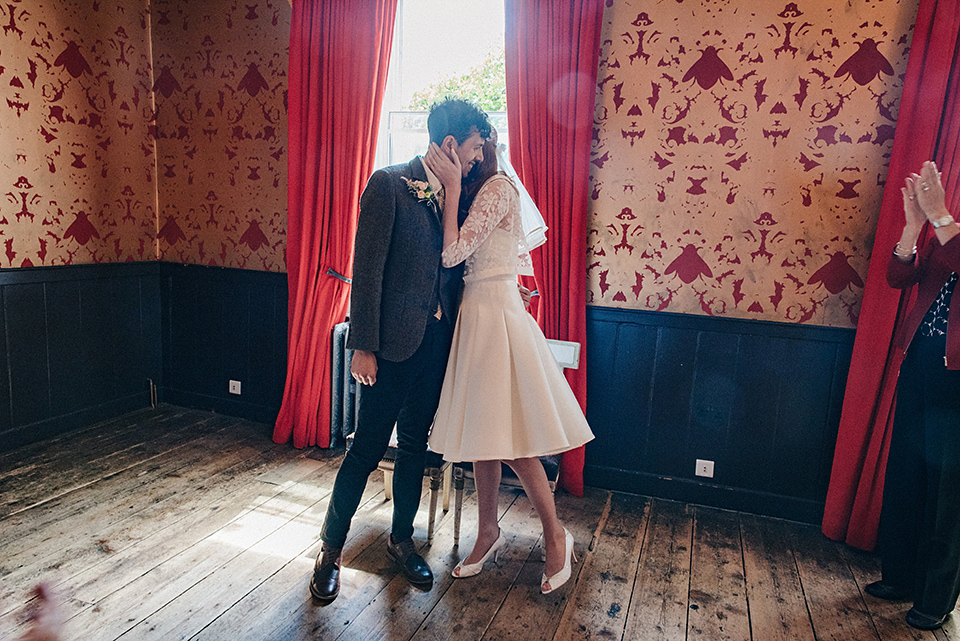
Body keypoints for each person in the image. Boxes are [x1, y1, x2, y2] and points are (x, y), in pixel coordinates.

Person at [310, 99, 492, 603]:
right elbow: (366, 272)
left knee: (416, 448)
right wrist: (362, 345)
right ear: (451, 143)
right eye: (476, 146)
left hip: (436, 344)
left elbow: (454, 268)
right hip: (389, 346)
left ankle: (401, 541)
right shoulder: (389, 184)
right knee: (367, 449)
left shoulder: (461, 196)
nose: (480, 157)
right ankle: (330, 551)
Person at [423, 131, 594, 595]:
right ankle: (486, 532)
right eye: (470, 148)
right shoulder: (476, 190)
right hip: (474, 314)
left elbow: (452, 253)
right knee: (483, 437)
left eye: (480, 148)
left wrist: (453, 188)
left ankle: (557, 536)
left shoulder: (498, 187)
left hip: (496, 316)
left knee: (517, 443)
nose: (475, 156)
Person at [867, 160, 960, 631]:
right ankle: (900, 577)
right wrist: (913, 226)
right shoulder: (951, 232)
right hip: (923, 362)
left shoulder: (953, 230)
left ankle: (936, 598)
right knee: (906, 473)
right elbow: (901, 278)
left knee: (949, 494)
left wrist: (940, 217)